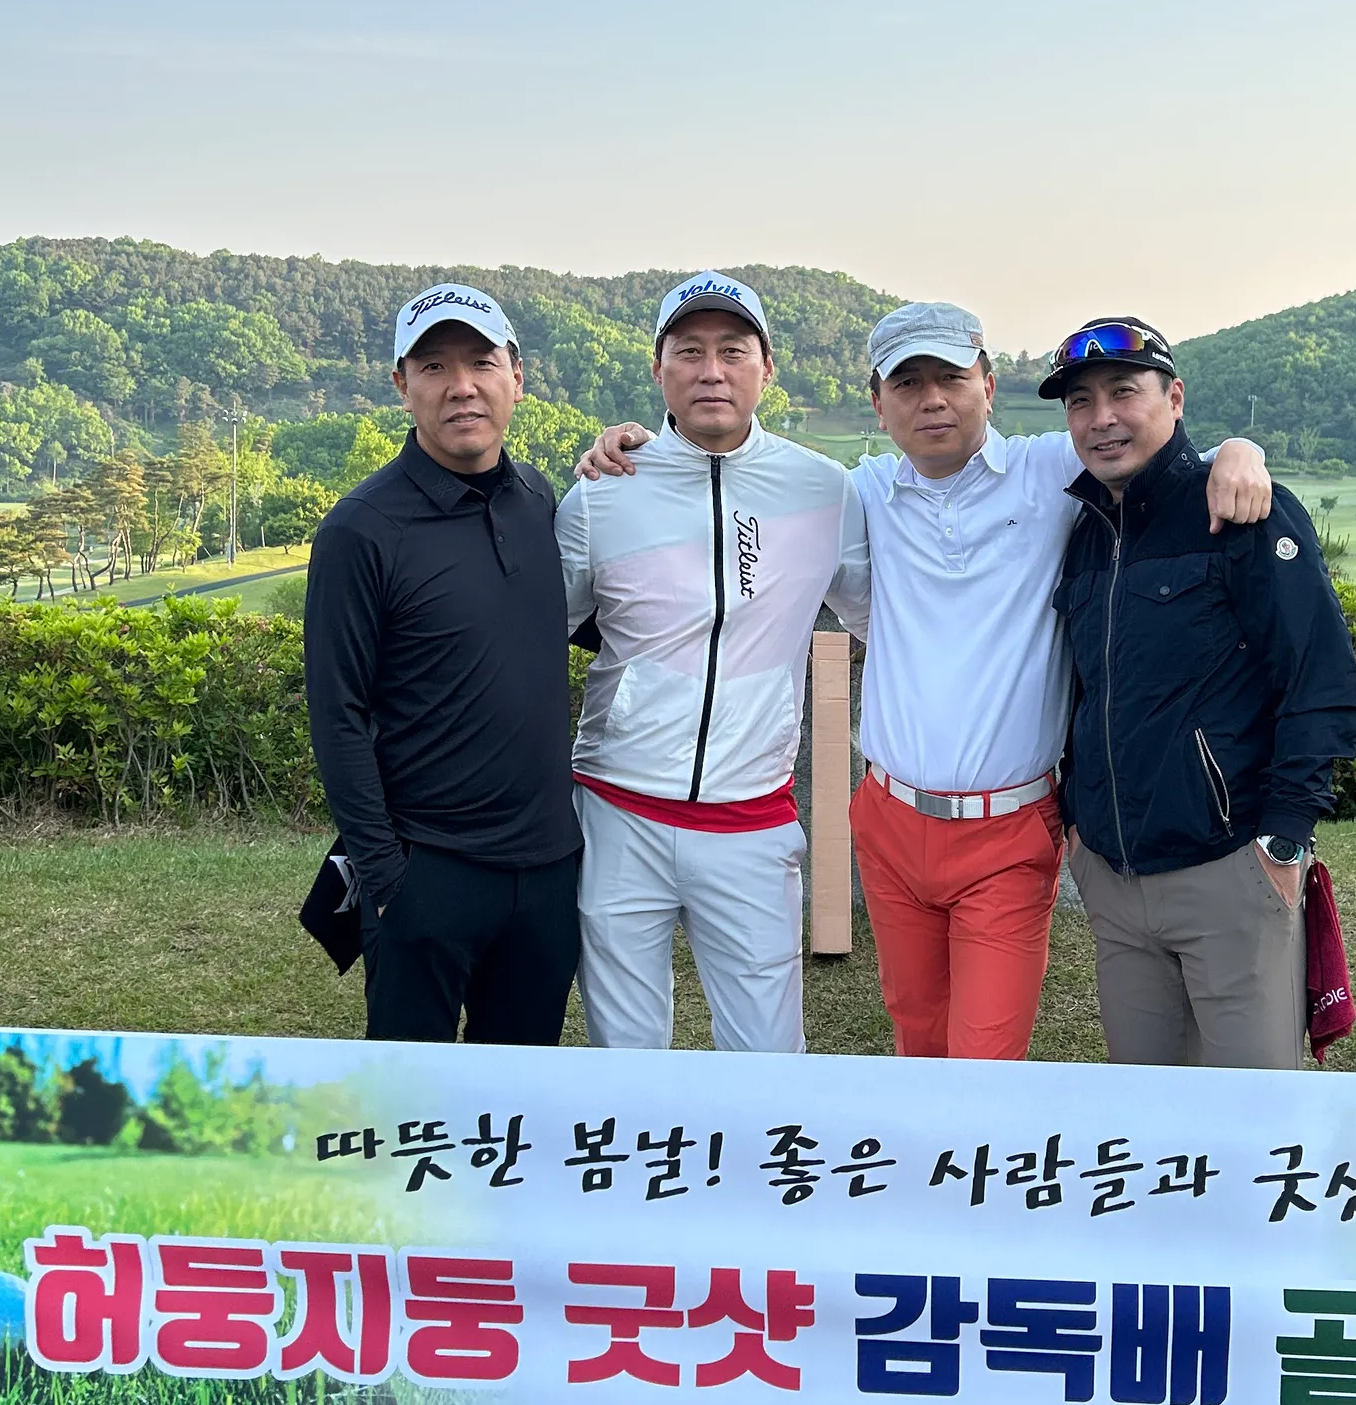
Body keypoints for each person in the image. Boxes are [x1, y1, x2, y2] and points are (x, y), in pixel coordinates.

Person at [576, 300, 1267, 1060]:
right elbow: (744, 500)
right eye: (908, 383)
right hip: (890, 822)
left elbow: (1151, 451)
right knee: (918, 1043)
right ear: (879, 403)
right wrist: (638, 451)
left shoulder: (1050, 471)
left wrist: (1237, 451)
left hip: (1010, 829)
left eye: (951, 378)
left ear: (988, 386)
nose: (932, 399)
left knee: (980, 1064)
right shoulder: (860, 491)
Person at [555, 272, 868, 1054]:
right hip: (617, 810)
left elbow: (890, 622)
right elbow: (533, 637)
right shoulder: (600, 492)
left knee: (767, 1065)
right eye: (689, 351)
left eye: (733, 350)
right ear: (659, 368)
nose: (711, 370)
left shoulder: (826, 490)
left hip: (750, 818)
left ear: (767, 367)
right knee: (626, 1060)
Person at [1047, 317, 1356, 1068]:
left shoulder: (1244, 510)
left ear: (1175, 397)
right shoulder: (1083, 532)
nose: (1102, 418)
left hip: (1229, 871)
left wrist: (1284, 837)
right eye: (1081, 402)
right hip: (1113, 879)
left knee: (1253, 1114)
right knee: (1146, 1111)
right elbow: (1084, 688)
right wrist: (1078, 825)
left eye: (1124, 392)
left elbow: (1320, 679)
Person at [304, 283, 582, 1045]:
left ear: (516, 378)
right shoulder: (361, 529)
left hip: (549, 866)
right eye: (433, 366)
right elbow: (337, 713)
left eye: (481, 362)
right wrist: (387, 878)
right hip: (427, 867)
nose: (461, 385)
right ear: (403, 385)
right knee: (410, 1098)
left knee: (518, 1092)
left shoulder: (539, 498)